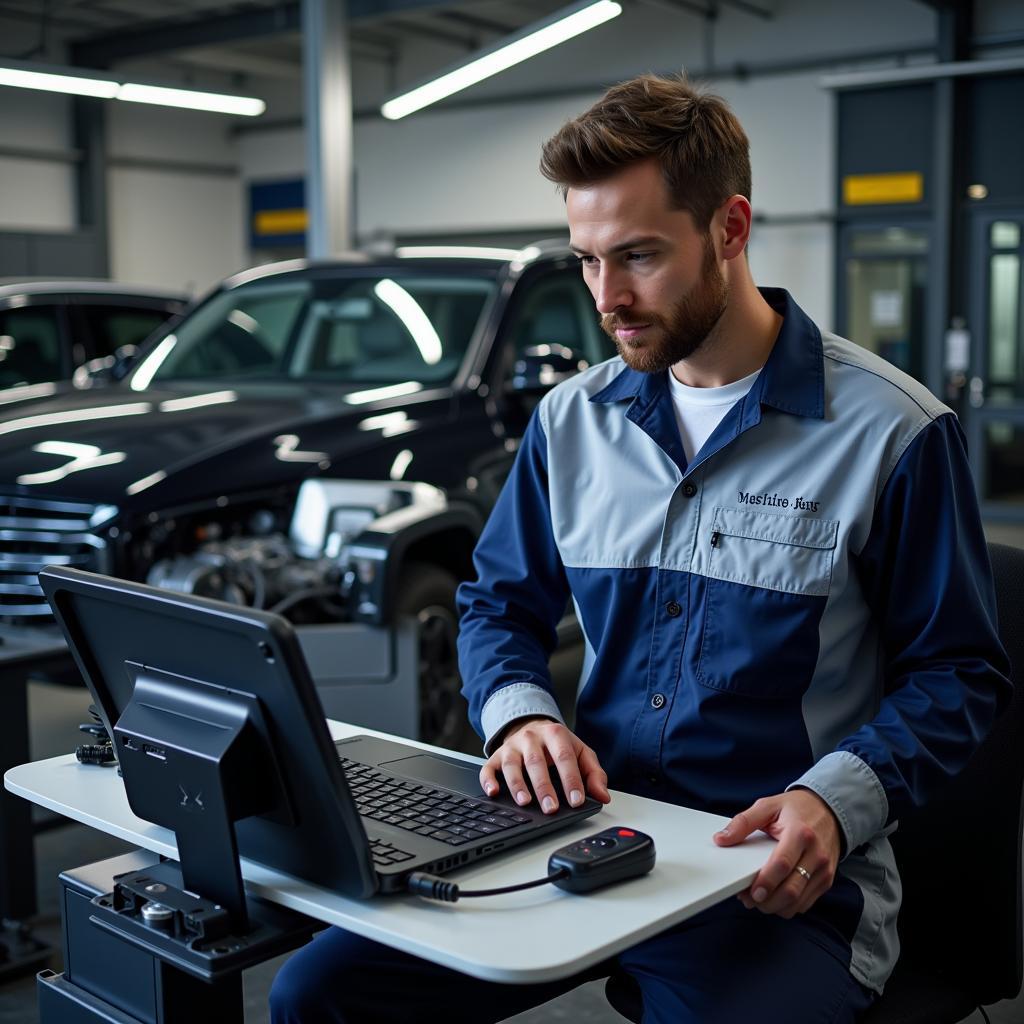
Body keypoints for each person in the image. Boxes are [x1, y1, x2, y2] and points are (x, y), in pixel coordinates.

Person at [270, 73, 1010, 1024]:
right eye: (585, 260)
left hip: (772, 878)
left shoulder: (894, 434)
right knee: (317, 994)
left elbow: (959, 673)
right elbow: (499, 602)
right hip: (580, 836)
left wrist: (834, 802)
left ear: (731, 229)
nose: (607, 299)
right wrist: (519, 716)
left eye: (640, 257)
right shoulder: (568, 422)